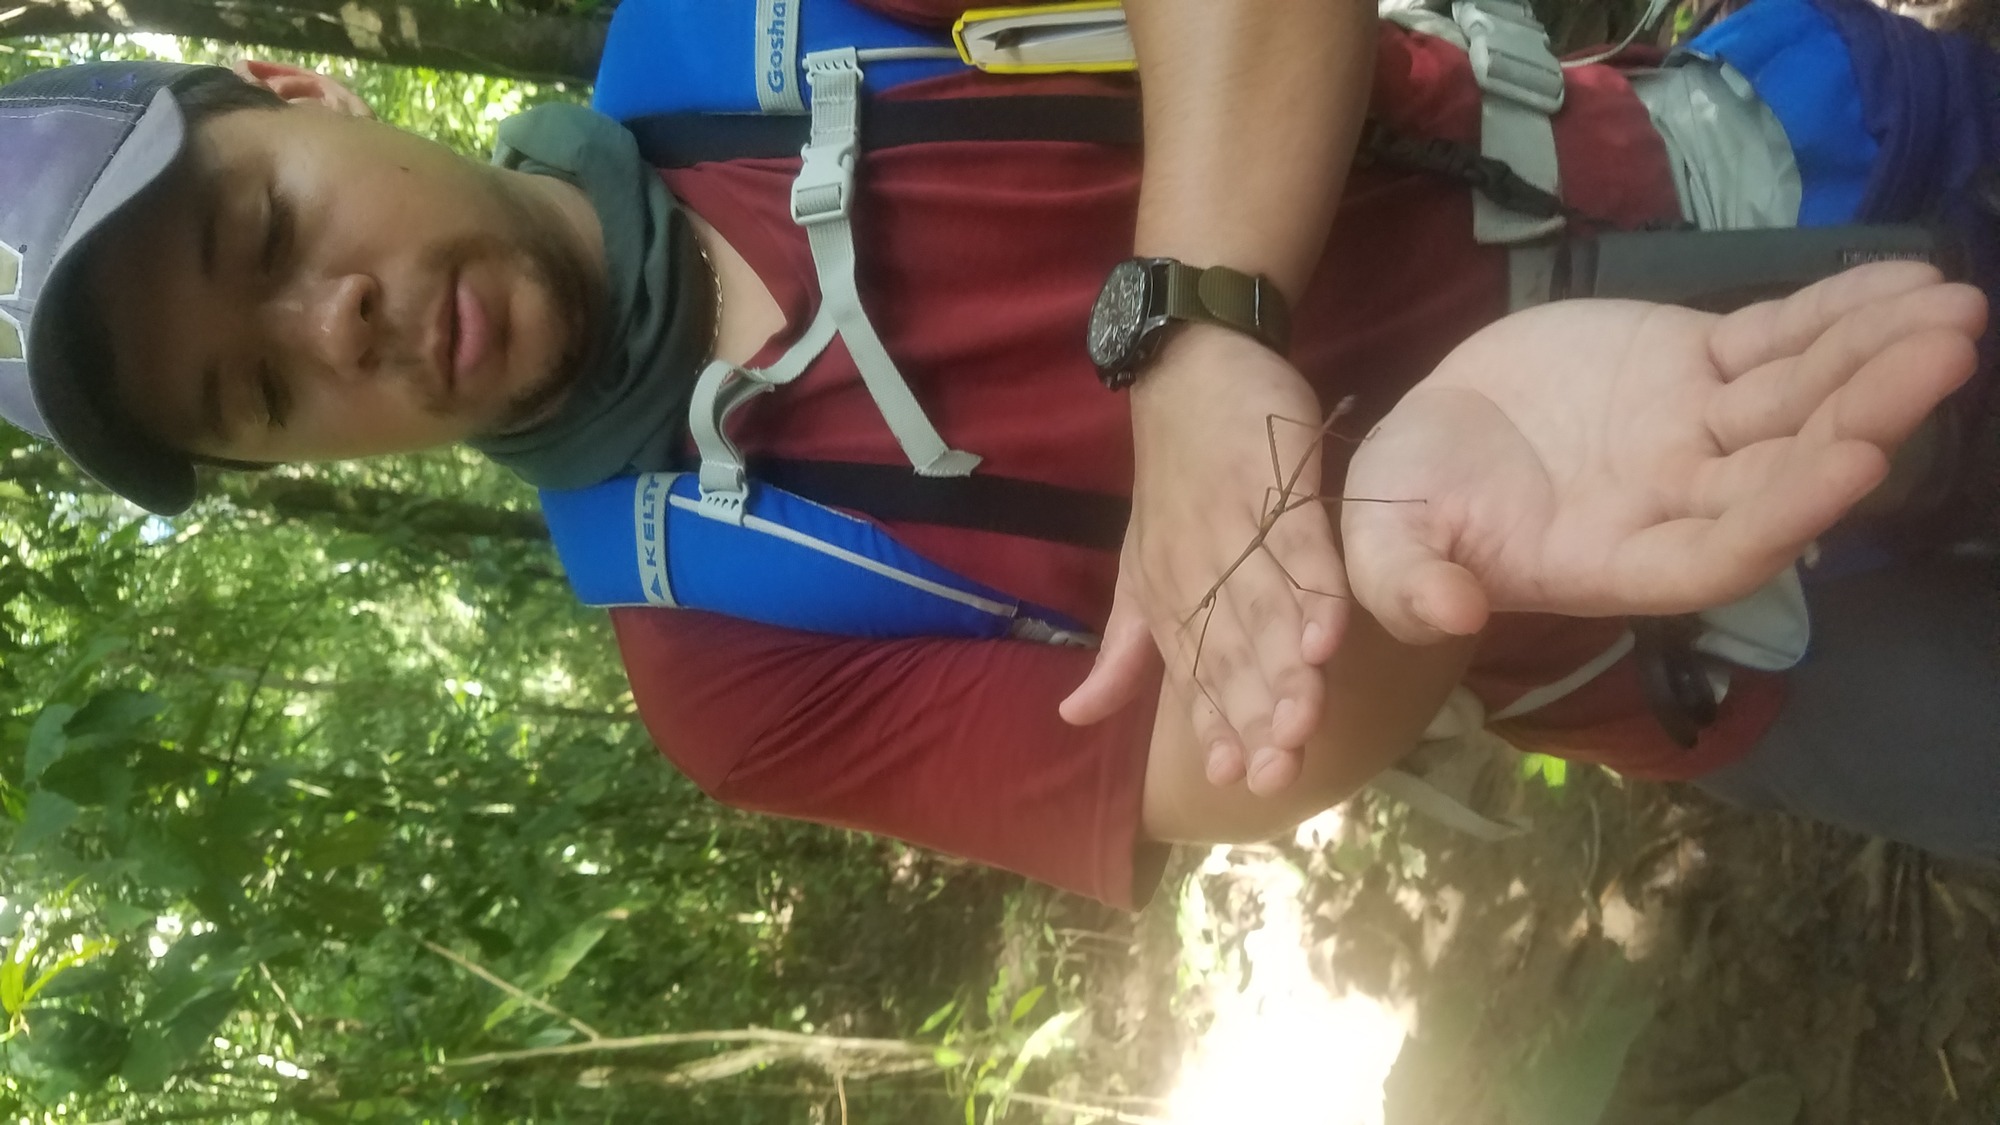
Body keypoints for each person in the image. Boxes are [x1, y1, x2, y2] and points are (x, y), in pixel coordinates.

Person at [0, 0, 1992, 910]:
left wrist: (1202, 326)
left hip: (1775, 156)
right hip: (1693, 614)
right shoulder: (718, 657)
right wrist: (1389, 522)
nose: (320, 321)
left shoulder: (739, 22)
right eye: (250, 395)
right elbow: (1199, 770)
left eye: (257, 233)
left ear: (292, 86)